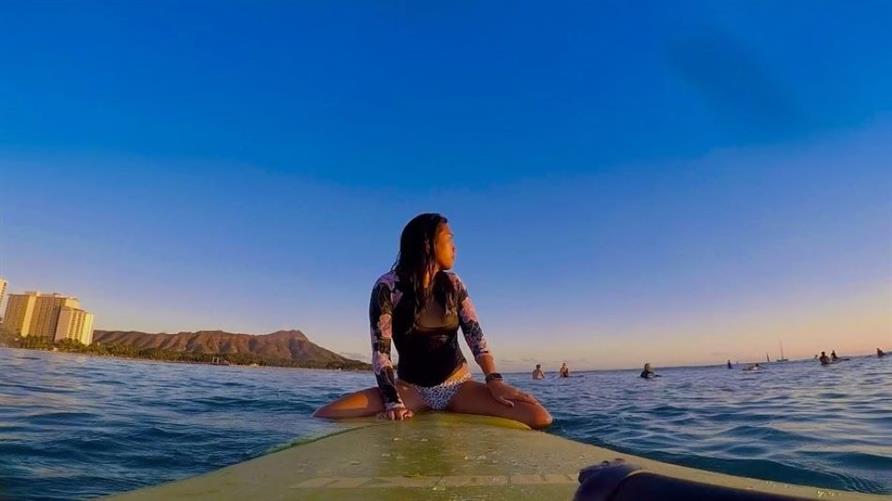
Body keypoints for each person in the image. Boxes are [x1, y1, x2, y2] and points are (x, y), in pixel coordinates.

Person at [314, 213, 552, 429]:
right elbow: (381, 353)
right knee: (325, 414)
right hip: (410, 390)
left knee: (538, 416)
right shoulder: (388, 287)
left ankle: (453, 412)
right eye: (449, 239)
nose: (455, 247)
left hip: (458, 387)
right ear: (428, 244)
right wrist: (392, 402)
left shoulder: (454, 284)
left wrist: (494, 381)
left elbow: (476, 339)